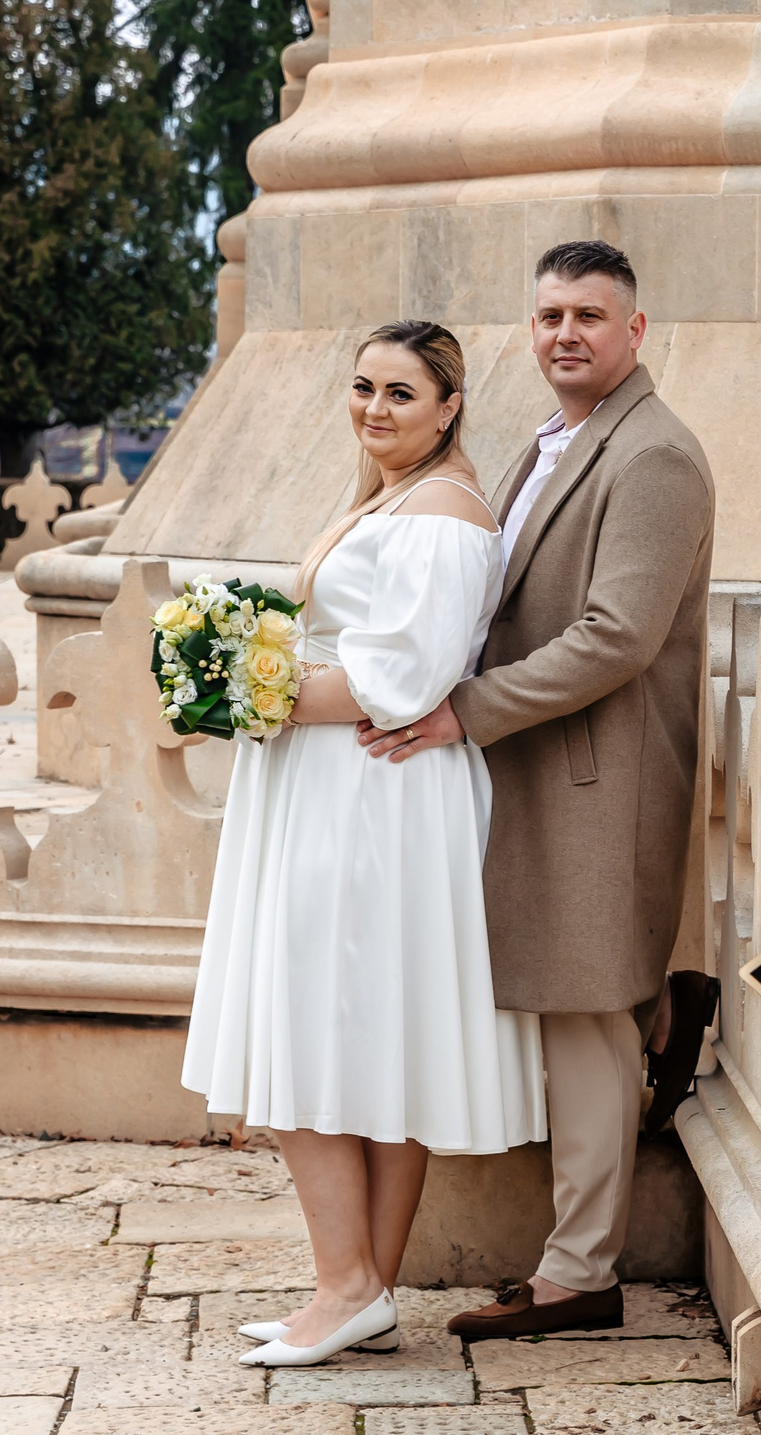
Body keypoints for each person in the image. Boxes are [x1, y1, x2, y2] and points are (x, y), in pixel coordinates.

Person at [359, 240, 716, 1337]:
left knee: (588, 1021)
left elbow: (616, 636)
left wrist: (464, 708)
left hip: (597, 775)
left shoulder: (652, 454)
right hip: (539, 772)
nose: (566, 333)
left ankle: (579, 1274)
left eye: (590, 316)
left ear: (635, 331)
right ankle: (575, 1247)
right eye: (550, 314)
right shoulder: (551, 444)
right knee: (577, 1010)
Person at [182, 320, 546, 1368]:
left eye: (401, 393)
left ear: (449, 408)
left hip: (371, 794)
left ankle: (342, 1285)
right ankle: (364, 1292)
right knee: (372, 1036)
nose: (376, 408)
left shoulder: (439, 514)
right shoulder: (391, 500)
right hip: (350, 786)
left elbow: (405, 676)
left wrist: (248, 692)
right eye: (364, 387)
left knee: (311, 1021)